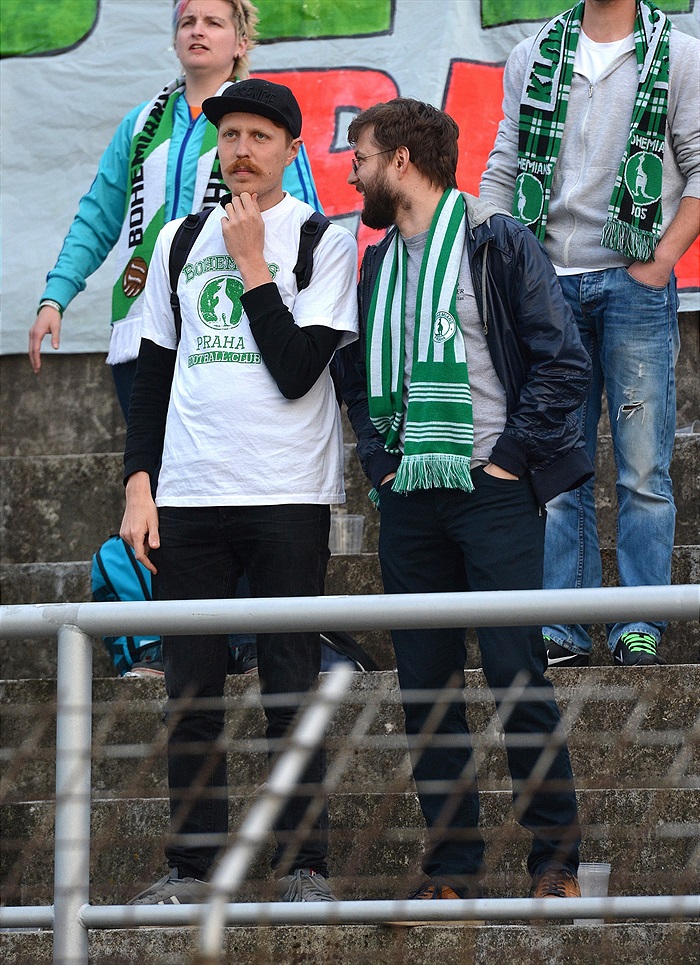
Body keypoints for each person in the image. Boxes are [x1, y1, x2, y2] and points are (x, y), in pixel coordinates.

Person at [337, 97, 592, 903]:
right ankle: (453, 869)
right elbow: (357, 375)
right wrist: (381, 465)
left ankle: (555, 862)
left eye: (361, 157)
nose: (353, 174)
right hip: (410, 496)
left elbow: (562, 359)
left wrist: (511, 459)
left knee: (518, 673)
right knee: (426, 689)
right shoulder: (377, 262)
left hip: (491, 490)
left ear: (401, 161)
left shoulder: (496, 239)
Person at [120, 78, 358, 904]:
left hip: (287, 491)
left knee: (289, 685)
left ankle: (305, 865)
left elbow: (297, 371)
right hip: (189, 492)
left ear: (292, 149)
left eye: (260, 136)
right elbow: (152, 373)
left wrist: (254, 264)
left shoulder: (323, 241)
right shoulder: (180, 239)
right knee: (190, 692)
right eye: (230, 136)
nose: (243, 151)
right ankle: (192, 868)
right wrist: (139, 483)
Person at [480, 0, 699, 667]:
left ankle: (640, 622)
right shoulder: (532, 55)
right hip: (548, 288)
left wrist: (660, 261)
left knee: (642, 469)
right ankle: (563, 625)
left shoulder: (680, 53)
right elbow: (504, 165)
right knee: (557, 466)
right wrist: (503, 261)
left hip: (634, 285)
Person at [28, 0, 321, 420]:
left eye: (213, 22)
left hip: (226, 326)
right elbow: (97, 218)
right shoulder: (139, 123)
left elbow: (303, 225)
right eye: (187, 22)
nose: (197, 31)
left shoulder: (264, 124)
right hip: (142, 322)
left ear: (241, 42)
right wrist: (55, 298)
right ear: (175, 39)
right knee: (148, 455)